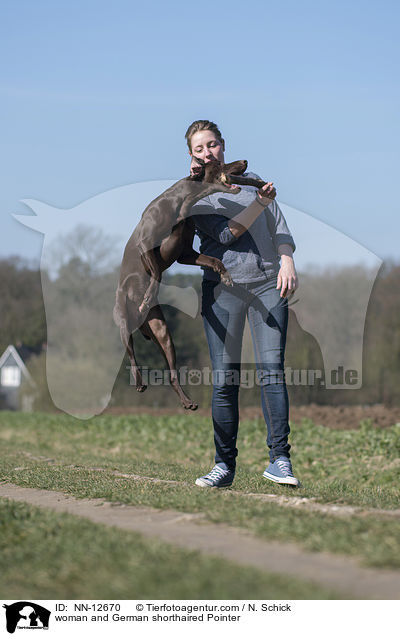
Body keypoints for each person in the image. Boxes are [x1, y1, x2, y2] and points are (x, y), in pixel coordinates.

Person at [185, 119, 300, 488]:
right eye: (200, 148)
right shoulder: (195, 195)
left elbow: (279, 224)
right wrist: (260, 204)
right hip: (222, 290)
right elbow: (223, 235)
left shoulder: (252, 182)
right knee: (224, 380)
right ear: (192, 156)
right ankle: (223, 466)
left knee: (272, 372)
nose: (208, 152)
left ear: (223, 145)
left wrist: (287, 259)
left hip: (268, 283)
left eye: (213, 144)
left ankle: (280, 461)